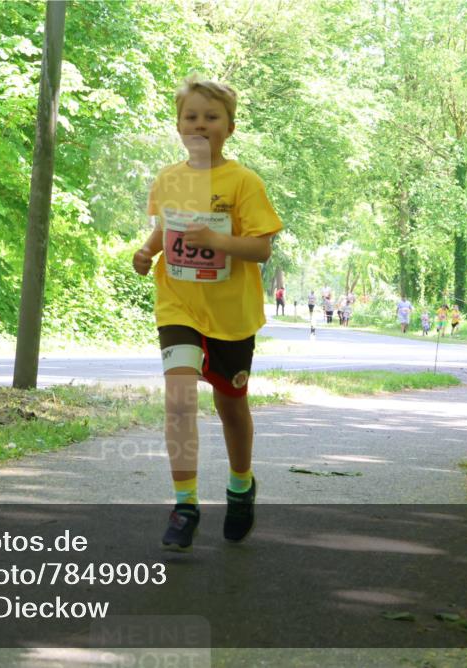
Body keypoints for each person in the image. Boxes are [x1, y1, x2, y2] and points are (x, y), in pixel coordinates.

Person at [133, 75, 282, 552]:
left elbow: (261, 248)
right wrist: (147, 251)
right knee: (178, 399)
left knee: (230, 406)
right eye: (190, 116)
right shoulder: (168, 179)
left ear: (230, 127)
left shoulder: (244, 182)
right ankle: (185, 504)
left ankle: (241, 486)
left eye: (211, 116)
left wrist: (217, 241)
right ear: (178, 125)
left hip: (231, 314)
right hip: (179, 304)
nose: (200, 124)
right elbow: (165, 227)